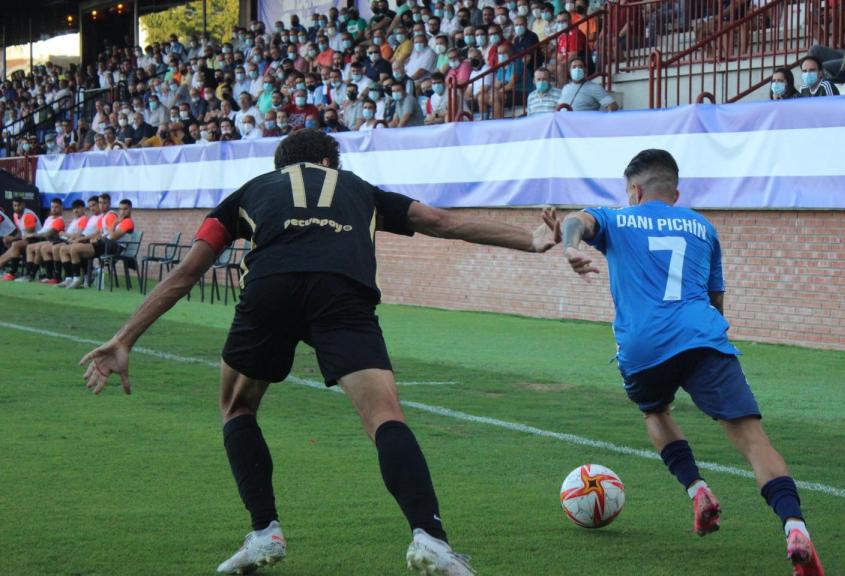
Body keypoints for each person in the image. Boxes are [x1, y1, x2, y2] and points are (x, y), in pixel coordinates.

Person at [78, 129, 561, 576]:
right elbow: (441, 222)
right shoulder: (361, 189)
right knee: (384, 416)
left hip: (270, 286)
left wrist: (125, 338)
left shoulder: (249, 191)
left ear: (281, 164)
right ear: (328, 161)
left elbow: (186, 274)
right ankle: (430, 537)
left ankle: (265, 531)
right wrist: (532, 238)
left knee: (237, 407)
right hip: (342, 291)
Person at [556, 149, 825, 576]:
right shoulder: (703, 227)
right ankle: (794, 527)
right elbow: (716, 299)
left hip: (644, 346)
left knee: (654, 410)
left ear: (636, 190)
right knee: (754, 441)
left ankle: (697, 488)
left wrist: (570, 247)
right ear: (675, 192)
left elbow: (574, 220)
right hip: (703, 337)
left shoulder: (617, 218)